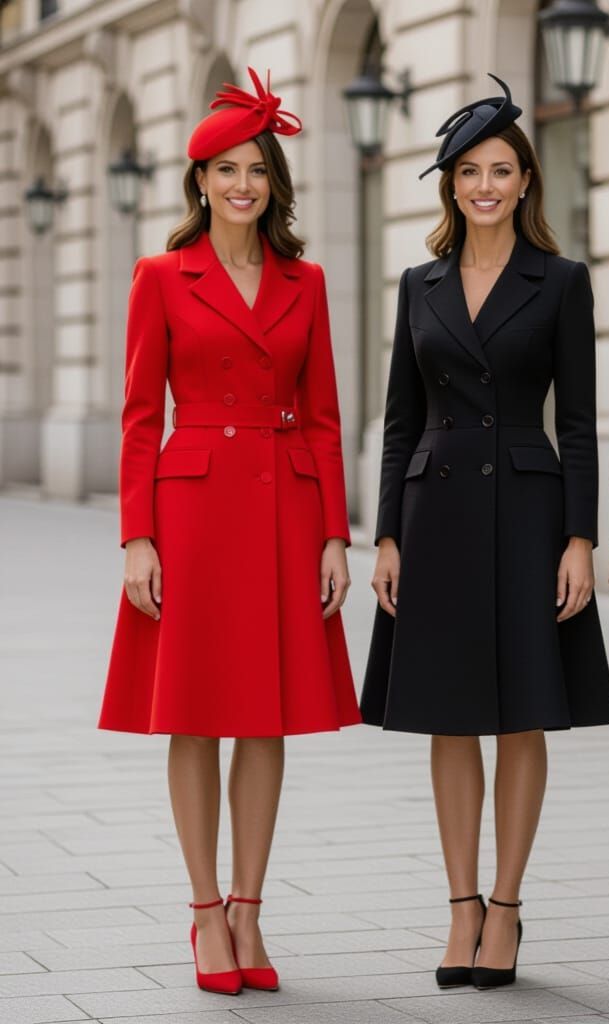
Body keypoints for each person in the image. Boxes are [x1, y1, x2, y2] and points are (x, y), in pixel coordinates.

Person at [99, 68, 361, 996]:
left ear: (273, 181)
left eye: (257, 168)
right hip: (195, 512)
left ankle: (252, 908)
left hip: (286, 510)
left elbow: (325, 414)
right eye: (226, 169)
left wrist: (336, 532)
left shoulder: (308, 280)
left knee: (266, 714)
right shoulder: (162, 277)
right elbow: (138, 417)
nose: (243, 184)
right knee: (198, 709)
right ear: (199, 181)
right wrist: (139, 537)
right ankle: (206, 910)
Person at [361, 74, 609, 991]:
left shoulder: (563, 282)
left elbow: (581, 423)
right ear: (450, 183)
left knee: (520, 712)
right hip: (433, 517)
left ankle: (506, 909)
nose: (485, 186)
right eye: (469, 171)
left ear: (524, 181)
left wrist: (580, 538)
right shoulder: (417, 283)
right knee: (448, 714)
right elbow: (399, 418)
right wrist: (385, 533)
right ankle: (459, 906)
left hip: (526, 512)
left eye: (501, 170)